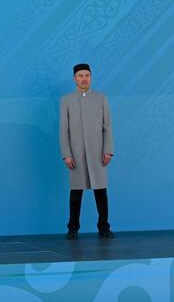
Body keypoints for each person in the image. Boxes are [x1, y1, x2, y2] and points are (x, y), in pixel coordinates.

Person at [59, 63, 115, 240]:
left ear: (91, 77)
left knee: (101, 193)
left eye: (87, 75)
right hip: (76, 154)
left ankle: (104, 227)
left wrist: (108, 150)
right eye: (80, 75)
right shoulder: (66, 100)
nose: (84, 79)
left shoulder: (101, 98)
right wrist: (67, 154)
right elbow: (63, 130)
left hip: (97, 153)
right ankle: (72, 228)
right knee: (76, 193)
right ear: (74, 78)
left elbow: (107, 127)